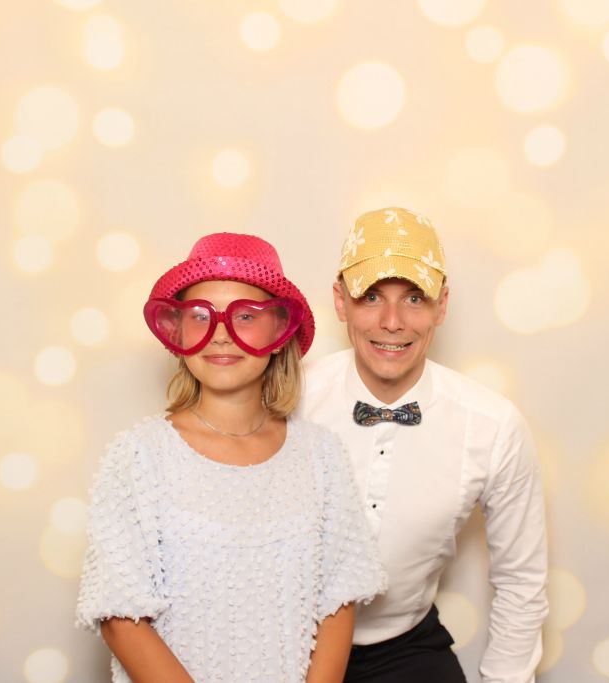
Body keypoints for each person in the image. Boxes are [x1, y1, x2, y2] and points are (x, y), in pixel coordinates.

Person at [76, 233, 385, 683]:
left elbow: (339, 600)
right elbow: (121, 615)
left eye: (245, 315)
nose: (221, 334)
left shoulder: (322, 456)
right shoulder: (139, 457)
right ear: (178, 332)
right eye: (201, 316)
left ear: (280, 332)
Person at [300, 208, 548, 683]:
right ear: (340, 301)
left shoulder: (493, 427)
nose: (392, 322)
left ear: (442, 305)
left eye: (414, 298)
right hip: (286, 641)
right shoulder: (287, 398)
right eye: (371, 297)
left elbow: (521, 582)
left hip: (406, 647)